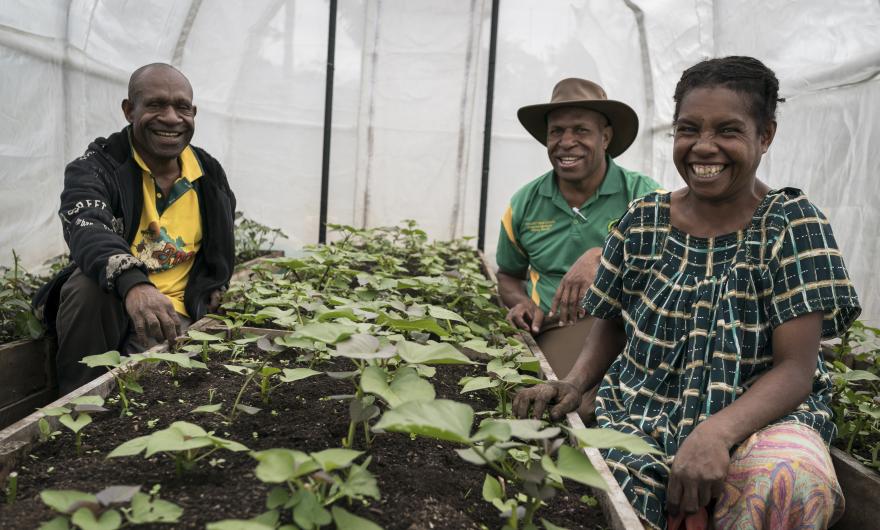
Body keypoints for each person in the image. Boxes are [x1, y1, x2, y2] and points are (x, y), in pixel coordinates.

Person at [512, 56, 860, 530]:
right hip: (642, 413)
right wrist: (573, 384)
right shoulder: (643, 220)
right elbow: (612, 323)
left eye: (728, 131)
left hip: (758, 422)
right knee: (594, 491)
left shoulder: (792, 225)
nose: (704, 147)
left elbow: (796, 370)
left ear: (766, 136)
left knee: (788, 482)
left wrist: (716, 432)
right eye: (688, 129)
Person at [33, 63, 236, 395]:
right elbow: (87, 228)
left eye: (182, 107)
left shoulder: (208, 174)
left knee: (143, 396)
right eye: (155, 104)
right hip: (113, 300)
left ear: (193, 113)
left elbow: (223, 240)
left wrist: (218, 283)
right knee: (87, 288)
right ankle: (75, 406)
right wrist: (134, 285)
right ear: (130, 110)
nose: (171, 118)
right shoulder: (98, 167)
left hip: (177, 311)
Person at [496, 78, 662, 392]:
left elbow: (677, 256)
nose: (566, 142)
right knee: (570, 403)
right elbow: (508, 274)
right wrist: (522, 304)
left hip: (630, 328)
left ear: (606, 137)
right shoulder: (523, 204)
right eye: (556, 131)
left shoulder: (645, 196)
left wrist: (602, 255)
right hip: (557, 330)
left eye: (581, 130)